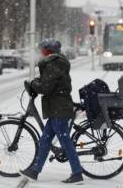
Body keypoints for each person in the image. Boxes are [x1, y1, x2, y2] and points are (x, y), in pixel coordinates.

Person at [20, 38, 83, 184]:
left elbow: (46, 88)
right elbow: (50, 82)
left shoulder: (53, 63)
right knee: (45, 140)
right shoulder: (55, 63)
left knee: (65, 141)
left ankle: (77, 173)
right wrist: (38, 82)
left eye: (42, 49)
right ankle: (35, 171)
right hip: (57, 107)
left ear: (48, 50)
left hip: (59, 108)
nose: (40, 52)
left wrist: (34, 83)